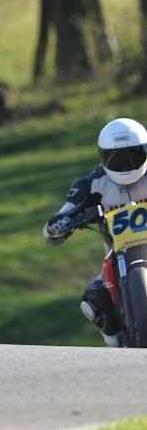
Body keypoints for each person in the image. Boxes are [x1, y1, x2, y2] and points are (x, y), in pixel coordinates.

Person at [43, 117, 147, 346]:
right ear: (103, 156)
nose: (126, 164)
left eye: (133, 155)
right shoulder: (92, 182)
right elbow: (63, 214)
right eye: (117, 158)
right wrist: (59, 225)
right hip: (116, 255)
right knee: (93, 302)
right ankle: (115, 348)